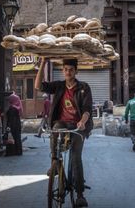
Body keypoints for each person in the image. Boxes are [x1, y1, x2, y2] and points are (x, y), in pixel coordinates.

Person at [35, 57, 93, 207]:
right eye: (65, 69)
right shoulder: (59, 86)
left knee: (75, 158)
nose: (68, 72)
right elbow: (38, 86)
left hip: (78, 126)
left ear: (76, 71)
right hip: (61, 123)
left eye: (71, 70)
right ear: (63, 71)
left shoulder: (84, 87)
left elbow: (87, 110)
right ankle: (55, 162)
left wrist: (83, 122)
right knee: (54, 131)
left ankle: (80, 194)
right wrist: (43, 62)